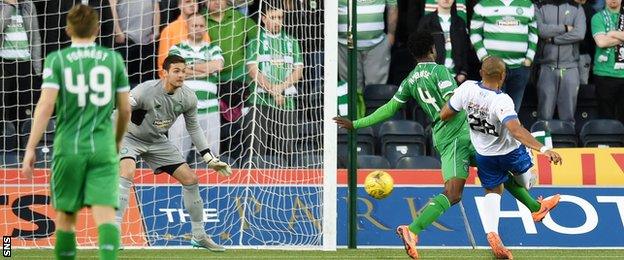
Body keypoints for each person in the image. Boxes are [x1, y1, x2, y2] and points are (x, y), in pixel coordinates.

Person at [334, 32, 560, 259]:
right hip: (456, 135)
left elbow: (389, 108)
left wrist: (356, 123)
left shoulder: (410, 79)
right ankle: (412, 230)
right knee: (454, 192)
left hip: (452, 136)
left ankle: (535, 208)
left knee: (495, 174)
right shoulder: (440, 71)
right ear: (433, 49)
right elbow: (450, 104)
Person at [20, 5, 131, 259]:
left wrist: (30, 147)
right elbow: (125, 110)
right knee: (105, 217)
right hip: (102, 146)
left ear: (68, 29)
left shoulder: (56, 60)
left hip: (68, 147)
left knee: (66, 219)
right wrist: (114, 143)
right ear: (97, 29)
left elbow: (46, 106)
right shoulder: (114, 60)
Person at [440, 56, 563, 259]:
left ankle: (493, 234)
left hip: (485, 154)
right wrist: (543, 149)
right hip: (510, 152)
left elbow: (445, 114)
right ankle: (537, 205)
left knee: (493, 190)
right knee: (526, 181)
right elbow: (515, 130)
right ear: (503, 76)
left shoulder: (467, 88)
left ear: (481, 72)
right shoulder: (502, 100)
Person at [115, 55, 231, 251]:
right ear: (165, 73)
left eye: (183, 71)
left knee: (191, 179)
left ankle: (199, 236)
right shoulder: (145, 91)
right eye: (176, 71)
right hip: (130, 137)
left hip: (157, 141)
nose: (181, 75)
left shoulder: (188, 97)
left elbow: (193, 128)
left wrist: (209, 157)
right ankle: (113, 235)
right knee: (126, 172)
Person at [245, 2, 303, 165]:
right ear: (263, 19)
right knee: (257, 149)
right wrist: (274, 91)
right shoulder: (255, 41)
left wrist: (280, 90)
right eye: (273, 17)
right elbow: (253, 70)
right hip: (260, 102)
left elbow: (298, 71)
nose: (277, 21)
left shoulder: (292, 41)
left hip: (287, 103)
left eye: (280, 17)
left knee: (286, 149)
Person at [168, 13, 224, 161]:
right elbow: (175, 72)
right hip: (181, 108)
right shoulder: (177, 48)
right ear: (188, 27)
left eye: (201, 26)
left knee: (211, 158)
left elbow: (217, 65)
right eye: (194, 25)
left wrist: (189, 67)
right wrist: (205, 70)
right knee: (176, 156)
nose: (198, 29)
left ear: (205, 28)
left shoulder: (213, 48)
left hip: (209, 108)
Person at [471, 0, 539, 112]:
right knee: (491, 111)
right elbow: (475, 33)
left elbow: (533, 33)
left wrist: (529, 58)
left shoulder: (528, 5)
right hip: (493, 69)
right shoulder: (482, 5)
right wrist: (484, 58)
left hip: (519, 67)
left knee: (512, 111)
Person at [338, 0, 398, 117]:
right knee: (349, 89)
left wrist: (391, 34)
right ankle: (353, 125)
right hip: (345, 46)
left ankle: (373, 127)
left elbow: (393, 6)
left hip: (377, 45)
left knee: (376, 91)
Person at [536, 0, 586, 123]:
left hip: (570, 67)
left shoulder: (576, 7)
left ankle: (568, 141)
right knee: (544, 116)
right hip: (546, 66)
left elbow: (579, 34)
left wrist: (554, 39)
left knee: (568, 117)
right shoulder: (539, 6)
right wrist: (565, 28)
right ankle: (542, 142)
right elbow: (541, 30)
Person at [1, 0, 42, 129]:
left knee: (25, 107)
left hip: (25, 63)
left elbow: (35, 37)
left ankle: (23, 142)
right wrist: (11, 6)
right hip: (4, 64)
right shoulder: (2, 5)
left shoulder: (29, 5)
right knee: (4, 106)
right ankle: (5, 142)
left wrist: (37, 67)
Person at [417, 0, 470, 83]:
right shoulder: (426, 22)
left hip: (456, 79)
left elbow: (465, 50)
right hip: (432, 79)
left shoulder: (460, 23)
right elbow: (419, 50)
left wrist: (463, 72)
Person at [110, 0, 160, 84]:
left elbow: (155, 5)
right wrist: (118, 32)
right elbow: (112, 6)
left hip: (147, 41)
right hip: (127, 40)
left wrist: (156, 30)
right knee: (126, 83)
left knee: (147, 83)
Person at [157, 0, 211, 79]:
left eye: (195, 1)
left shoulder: (203, 31)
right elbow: (163, 65)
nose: (192, 5)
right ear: (179, 5)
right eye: (188, 2)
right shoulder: (169, 30)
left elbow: (210, 63)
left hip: (203, 83)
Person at [591, 0, 624, 122]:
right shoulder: (598, 17)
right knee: (605, 119)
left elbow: (606, 40)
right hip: (604, 74)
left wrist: (613, 33)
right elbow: (601, 42)